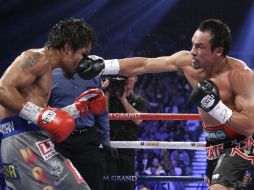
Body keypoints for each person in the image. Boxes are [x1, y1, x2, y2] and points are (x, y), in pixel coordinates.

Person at [77, 19, 254, 190]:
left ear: (218, 51)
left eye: (199, 47)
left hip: (240, 142)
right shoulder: (187, 63)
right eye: (193, 44)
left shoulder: (240, 76)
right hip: (213, 144)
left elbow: (249, 127)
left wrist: (215, 106)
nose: (192, 51)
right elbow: (144, 65)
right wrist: (104, 66)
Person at [0, 18, 107, 190]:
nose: (83, 61)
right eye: (83, 54)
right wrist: (39, 115)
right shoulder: (35, 58)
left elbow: (43, 115)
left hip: (32, 139)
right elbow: (2, 90)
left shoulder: (48, 70)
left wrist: (77, 109)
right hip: (22, 140)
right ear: (68, 47)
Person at [48, 68, 117, 190]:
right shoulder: (50, 76)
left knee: (94, 185)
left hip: (87, 141)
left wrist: (106, 142)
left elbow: (101, 111)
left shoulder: (93, 75)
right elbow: (43, 109)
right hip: (60, 143)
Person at [103, 76, 146, 190]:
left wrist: (123, 99)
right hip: (110, 147)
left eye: (131, 76)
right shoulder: (110, 98)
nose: (128, 79)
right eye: (125, 76)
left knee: (126, 184)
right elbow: (104, 115)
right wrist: (106, 92)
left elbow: (138, 120)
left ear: (136, 78)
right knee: (108, 184)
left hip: (128, 149)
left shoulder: (139, 100)